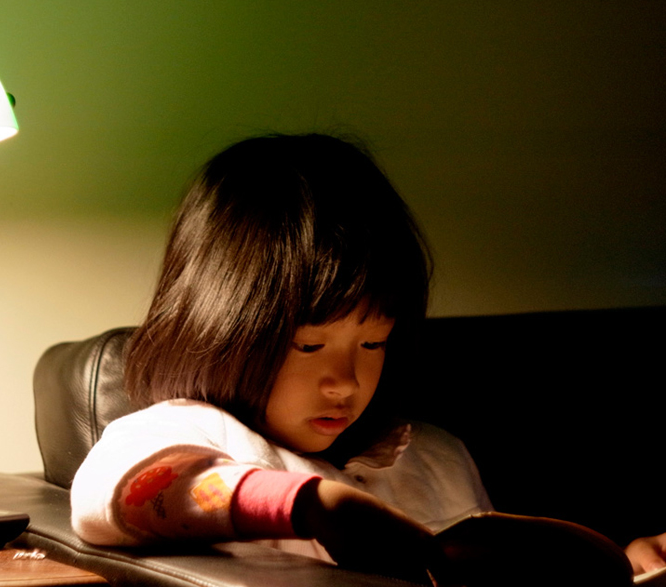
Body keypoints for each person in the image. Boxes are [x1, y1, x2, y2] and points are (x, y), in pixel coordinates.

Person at [70, 133, 665, 580]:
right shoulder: (187, 430)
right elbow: (116, 493)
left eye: (373, 343)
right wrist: (311, 506)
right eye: (310, 345)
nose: (346, 382)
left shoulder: (432, 455)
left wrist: (626, 566)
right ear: (225, 328)